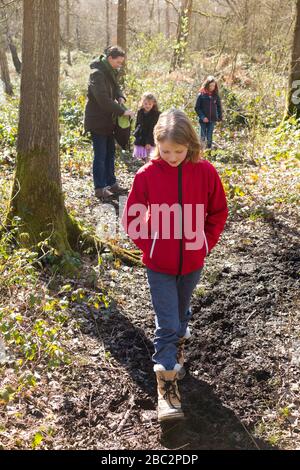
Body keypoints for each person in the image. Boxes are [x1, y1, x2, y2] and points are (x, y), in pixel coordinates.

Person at [122, 110, 228, 423]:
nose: (171, 157)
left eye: (178, 151)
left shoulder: (205, 172)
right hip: (159, 264)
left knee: (181, 316)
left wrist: (204, 243)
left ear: (190, 146)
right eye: (165, 151)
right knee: (167, 323)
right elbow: (131, 218)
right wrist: (150, 245)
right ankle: (167, 394)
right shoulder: (146, 175)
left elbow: (218, 212)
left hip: (192, 263)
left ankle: (176, 353)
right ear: (156, 145)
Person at [84, 45, 134, 202]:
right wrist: (122, 111)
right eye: (118, 62)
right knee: (100, 155)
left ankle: (112, 184)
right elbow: (103, 100)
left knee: (110, 154)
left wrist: (120, 97)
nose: (120, 65)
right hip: (97, 120)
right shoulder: (97, 74)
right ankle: (100, 188)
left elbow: (116, 88)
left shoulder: (110, 71)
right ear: (110, 58)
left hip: (108, 121)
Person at [195, 76, 223, 150]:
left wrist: (220, 117)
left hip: (212, 119)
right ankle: (201, 151)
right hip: (203, 120)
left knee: (209, 136)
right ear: (207, 85)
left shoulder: (215, 96)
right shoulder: (201, 95)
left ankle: (208, 150)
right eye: (210, 85)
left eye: (213, 85)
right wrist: (203, 117)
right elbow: (197, 108)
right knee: (202, 136)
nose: (212, 87)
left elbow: (219, 107)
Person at [133, 92, 160, 162]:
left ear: (153, 103)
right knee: (143, 158)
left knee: (149, 158)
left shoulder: (156, 114)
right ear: (142, 103)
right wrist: (136, 135)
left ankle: (150, 171)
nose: (147, 106)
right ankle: (145, 170)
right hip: (141, 138)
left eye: (150, 104)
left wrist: (149, 142)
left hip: (150, 138)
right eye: (145, 104)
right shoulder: (140, 112)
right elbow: (137, 124)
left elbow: (153, 128)